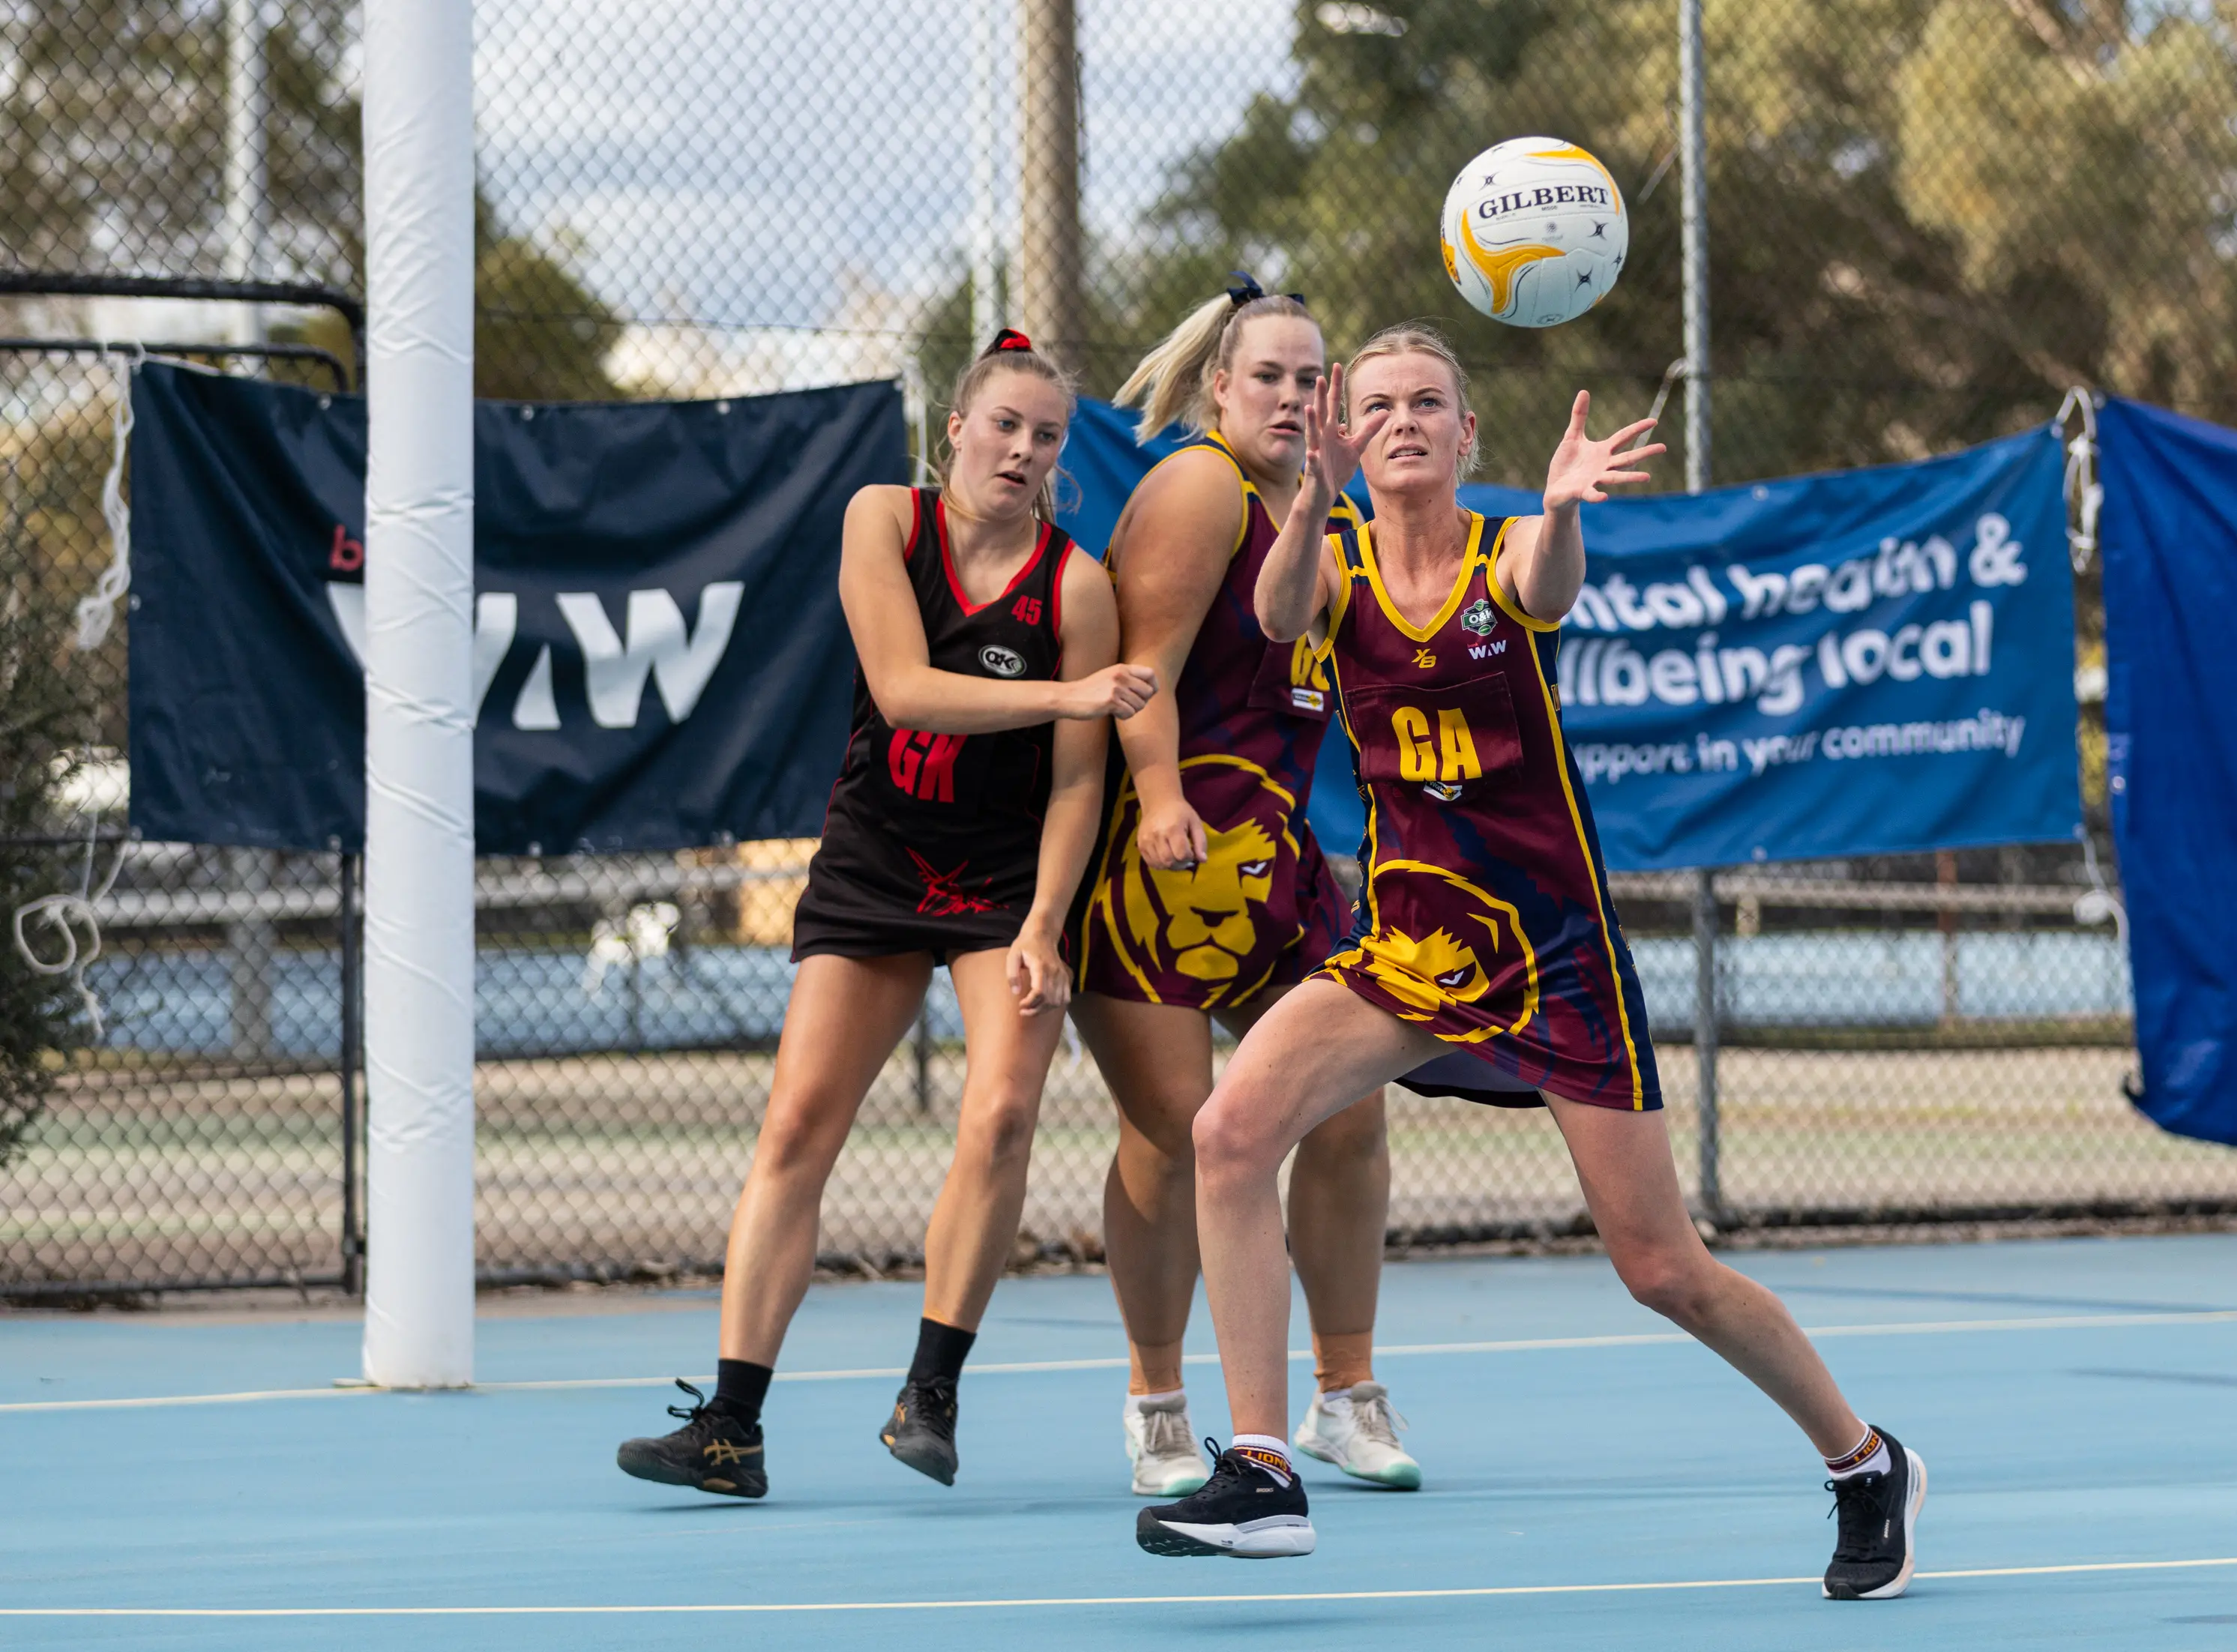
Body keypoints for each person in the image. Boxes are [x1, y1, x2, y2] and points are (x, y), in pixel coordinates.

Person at [1130, 325, 1926, 1602]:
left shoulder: (1507, 558)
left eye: (1427, 404)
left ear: (1464, 435)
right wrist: (1307, 501)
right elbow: (1278, 617)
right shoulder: (1329, 566)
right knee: (1228, 1133)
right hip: (1407, 945)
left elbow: (1547, 590)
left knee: (1658, 1268)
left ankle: (1862, 1458)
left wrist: (1557, 511)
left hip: (1555, 958)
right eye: (1376, 403)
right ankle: (1265, 1469)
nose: (1400, 421)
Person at [616, 331, 1157, 1497]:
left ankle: (931, 1390)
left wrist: (1045, 922)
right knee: (798, 1126)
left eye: (1046, 434)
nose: (1021, 449)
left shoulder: (1075, 585)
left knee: (1005, 1111)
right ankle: (729, 1427)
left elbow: (1078, 780)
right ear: (956, 427)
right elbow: (905, 688)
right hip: (876, 860)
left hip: (1005, 879)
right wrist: (1071, 691)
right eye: (1003, 424)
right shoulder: (884, 520)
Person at [1071, 277, 1417, 1498]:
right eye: (1266, 375)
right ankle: (1157, 1406)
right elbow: (1138, 671)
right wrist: (1162, 800)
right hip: (1158, 865)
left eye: (1308, 377)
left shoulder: (1324, 512)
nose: (1289, 395)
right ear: (1219, 388)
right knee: (1172, 1135)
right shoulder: (1200, 487)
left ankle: (1345, 1392)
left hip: (1279, 873)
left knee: (1348, 1111)